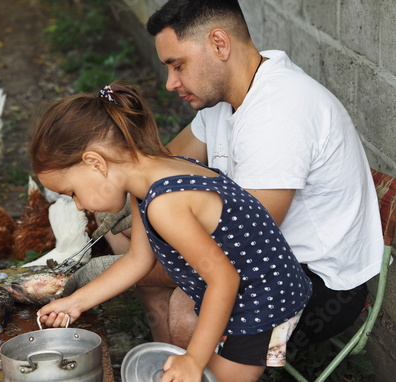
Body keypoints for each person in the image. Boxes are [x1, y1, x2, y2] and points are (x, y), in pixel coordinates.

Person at [66, 0, 384, 353]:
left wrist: (122, 268)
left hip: (316, 284)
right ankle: (164, 362)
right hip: (266, 258)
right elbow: (161, 164)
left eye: (178, 65)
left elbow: (247, 246)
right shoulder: (224, 99)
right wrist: (123, 195)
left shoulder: (281, 114)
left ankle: (193, 366)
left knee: (184, 310)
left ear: (220, 44)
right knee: (131, 236)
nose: (171, 83)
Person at [32, 82, 312, 382]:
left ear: (95, 163)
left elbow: (224, 279)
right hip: (238, 290)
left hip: (262, 298)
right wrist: (76, 302)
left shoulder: (165, 203)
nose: (77, 206)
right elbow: (138, 260)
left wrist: (192, 360)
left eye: (73, 192)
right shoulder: (150, 180)